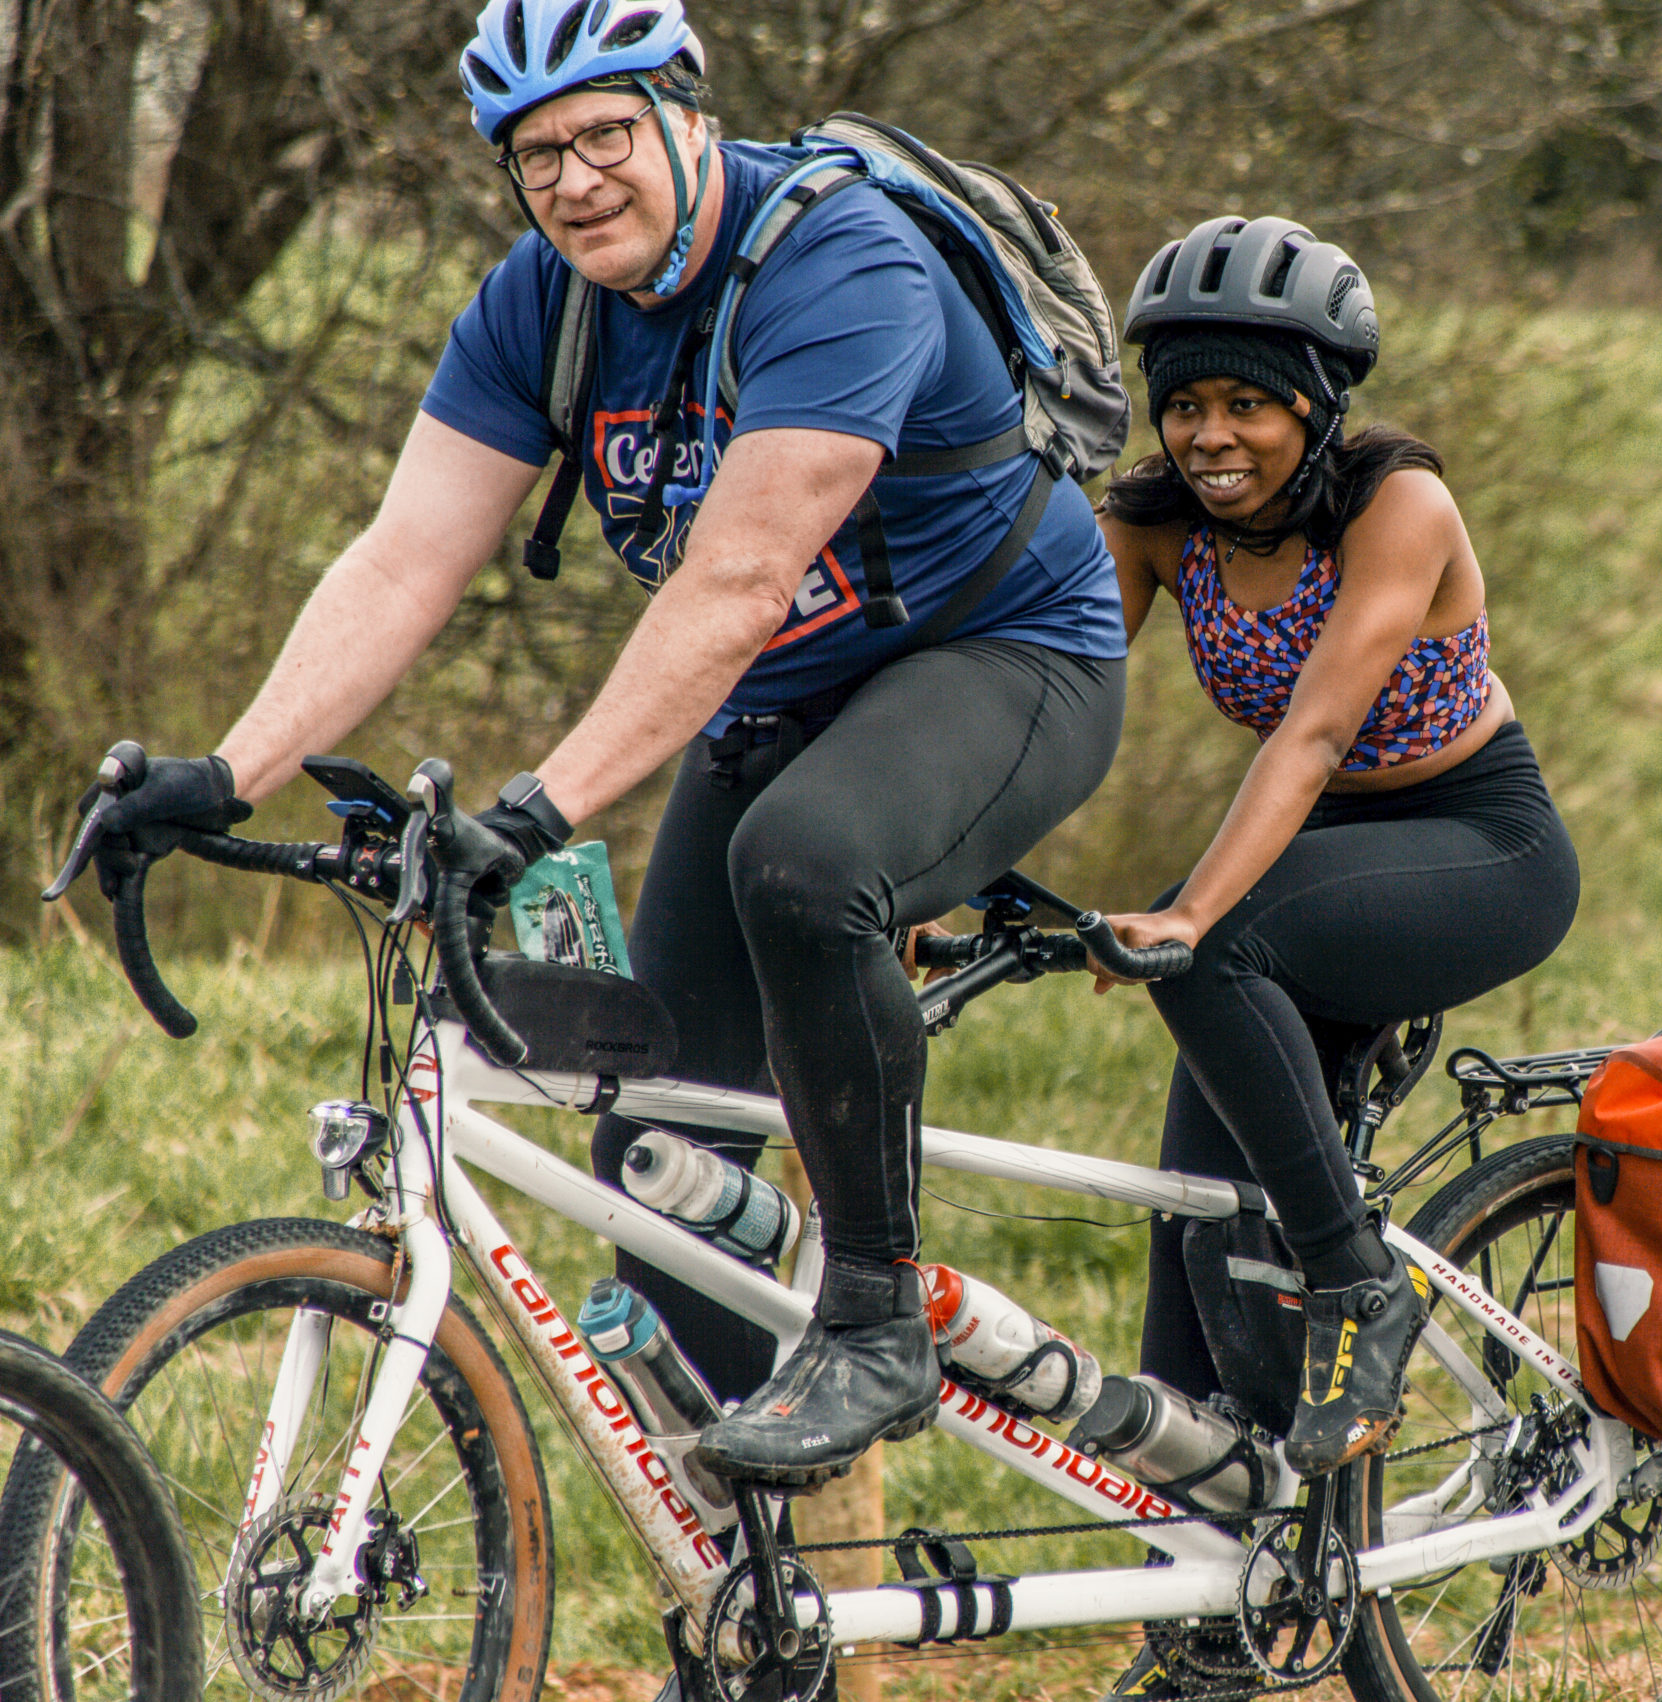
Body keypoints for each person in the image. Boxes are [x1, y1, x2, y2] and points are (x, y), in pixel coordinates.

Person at [66, 0, 1127, 1493]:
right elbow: (403, 560)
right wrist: (228, 771)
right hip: (772, 704)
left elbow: (738, 581)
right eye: (536, 155)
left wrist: (533, 810)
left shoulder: (839, 255)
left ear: (691, 115)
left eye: (605, 133)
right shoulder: (541, 307)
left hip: (1004, 657)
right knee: (662, 1164)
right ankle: (758, 1575)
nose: (573, 181)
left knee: (805, 865)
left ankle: (877, 1317)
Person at [1097, 216, 1580, 1482]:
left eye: (1246, 404)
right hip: (1311, 858)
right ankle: (1212, 1567)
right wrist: (929, 871)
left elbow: (1313, 734)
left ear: (1313, 407)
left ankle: (1353, 1282)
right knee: (1195, 1225)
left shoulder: (1396, 504)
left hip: (1477, 842)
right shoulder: (1153, 525)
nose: (1209, 436)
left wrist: (1188, 915)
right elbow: (1044, 697)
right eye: (1183, 405)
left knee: (1207, 948)